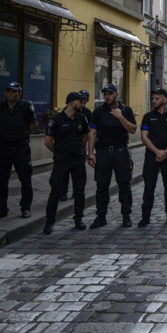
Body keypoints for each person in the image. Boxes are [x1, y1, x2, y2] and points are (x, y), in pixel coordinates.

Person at [87, 84, 137, 228]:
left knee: (124, 185)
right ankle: (101, 216)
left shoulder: (126, 110)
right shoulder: (98, 112)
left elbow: (133, 129)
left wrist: (120, 117)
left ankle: (126, 216)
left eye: (110, 94)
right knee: (101, 185)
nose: (107, 97)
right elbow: (92, 133)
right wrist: (90, 153)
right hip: (103, 153)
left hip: (121, 152)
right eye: (105, 94)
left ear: (116, 94)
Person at [42, 92, 90, 235]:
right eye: (80, 102)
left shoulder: (82, 118)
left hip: (78, 159)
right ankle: (49, 222)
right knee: (55, 192)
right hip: (62, 161)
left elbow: (85, 136)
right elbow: (48, 141)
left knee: (79, 191)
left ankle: (78, 219)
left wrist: (76, 149)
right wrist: (59, 152)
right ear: (71, 103)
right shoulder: (56, 119)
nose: (82, 104)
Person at [0, 81, 36, 220]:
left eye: (14, 91)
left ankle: (25, 208)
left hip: (20, 147)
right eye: (9, 91)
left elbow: (33, 125)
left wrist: (21, 134)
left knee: (25, 179)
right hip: (3, 147)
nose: (11, 93)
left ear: (19, 94)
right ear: (5, 93)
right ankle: (2, 209)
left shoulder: (26, 107)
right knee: (1, 180)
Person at [138, 88, 167, 227]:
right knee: (149, 187)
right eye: (153, 98)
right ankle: (145, 216)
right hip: (151, 157)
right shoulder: (148, 116)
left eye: (157, 98)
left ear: (165, 99)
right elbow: (144, 137)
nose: (154, 101)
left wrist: (166, 152)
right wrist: (157, 151)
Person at [60, 89, 93, 202]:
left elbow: (88, 132)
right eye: (80, 99)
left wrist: (83, 145)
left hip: (79, 146)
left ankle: (76, 192)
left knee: (78, 173)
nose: (82, 102)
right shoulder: (65, 112)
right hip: (65, 149)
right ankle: (63, 192)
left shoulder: (87, 113)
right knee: (64, 173)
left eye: (84, 99)